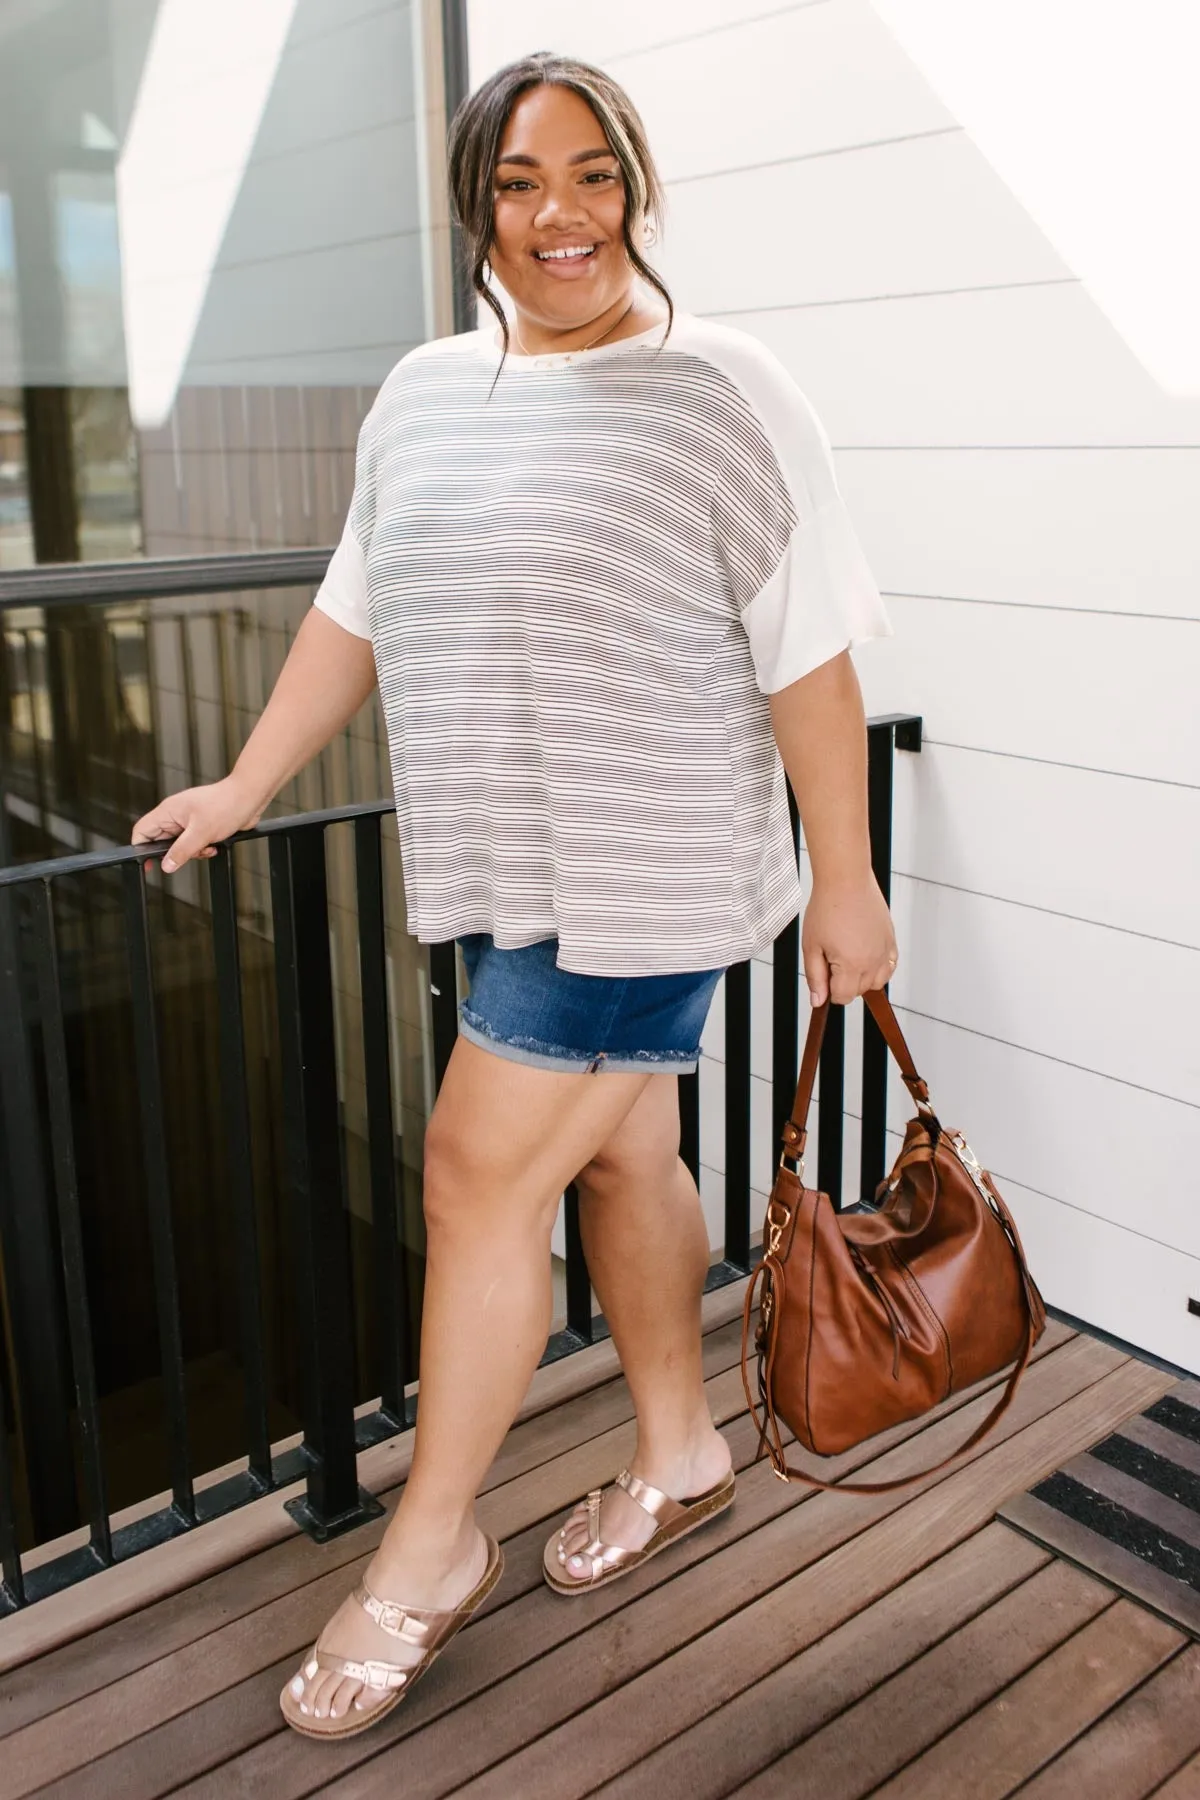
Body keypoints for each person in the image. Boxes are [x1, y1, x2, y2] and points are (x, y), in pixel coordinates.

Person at [132, 51, 898, 1742]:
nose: (561, 216)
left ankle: (424, 1549)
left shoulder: (720, 385)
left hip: (655, 870)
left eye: (595, 174)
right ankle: (684, 1445)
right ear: (476, 206)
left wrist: (846, 880)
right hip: (516, 865)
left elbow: (812, 656)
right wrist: (248, 785)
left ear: (640, 186)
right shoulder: (419, 393)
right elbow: (358, 605)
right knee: (625, 1154)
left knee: (478, 1174)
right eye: (520, 183)